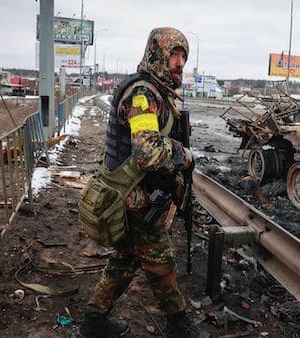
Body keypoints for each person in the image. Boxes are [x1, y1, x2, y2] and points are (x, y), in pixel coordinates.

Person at [79, 27, 208, 338]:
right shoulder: (143, 93)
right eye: (174, 55)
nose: (180, 63)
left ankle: (94, 322)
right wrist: (185, 154)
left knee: (125, 259)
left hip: (132, 194)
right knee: (160, 260)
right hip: (132, 198)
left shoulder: (155, 91)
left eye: (183, 56)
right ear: (156, 55)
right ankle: (178, 324)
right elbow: (147, 152)